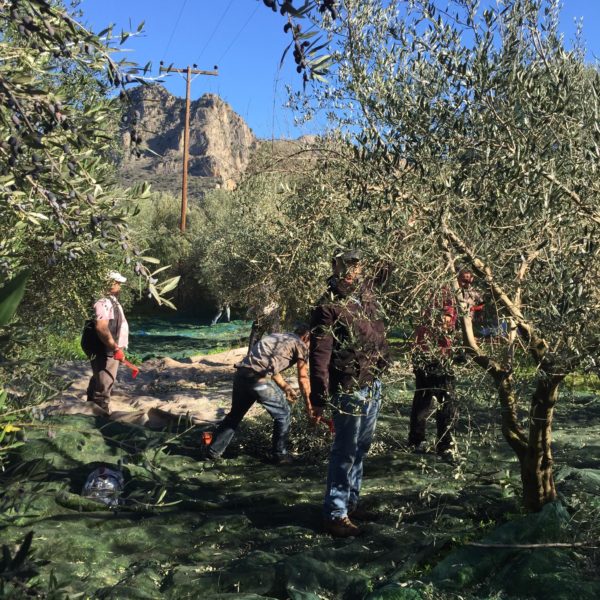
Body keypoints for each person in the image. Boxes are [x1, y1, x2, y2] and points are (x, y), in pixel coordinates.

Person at [310, 250, 390, 537]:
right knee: (345, 450)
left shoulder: (366, 293)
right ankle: (335, 513)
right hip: (348, 387)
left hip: (372, 381)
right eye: (346, 265)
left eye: (356, 265)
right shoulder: (327, 305)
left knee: (361, 447)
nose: (351, 271)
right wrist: (318, 397)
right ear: (335, 266)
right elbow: (319, 354)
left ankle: (350, 503)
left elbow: (388, 267)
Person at [206, 323, 312, 464]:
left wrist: (286, 387)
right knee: (283, 414)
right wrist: (310, 406)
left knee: (235, 415)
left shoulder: (278, 337)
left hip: (241, 374)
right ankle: (280, 455)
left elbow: (269, 365)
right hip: (257, 379)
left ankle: (213, 451)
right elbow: (303, 378)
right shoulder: (300, 344)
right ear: (306, 337)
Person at [408, 267, 483, 458]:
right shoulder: (448, 295)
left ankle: (416, 440)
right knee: (447, 399)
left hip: (423, 351)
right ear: (455, 276)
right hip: (435, 354)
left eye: (470, 281)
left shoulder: (439, 290)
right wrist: (463, 339)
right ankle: (445, 444)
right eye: (464, 281)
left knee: (423, 396)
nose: (467, 285)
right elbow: (445, 323)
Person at [86, 271, 130, 412]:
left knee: (99, 378)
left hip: (107, 348)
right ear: (110, 283)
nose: (119, 286)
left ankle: (90, 409)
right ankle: (100, 415)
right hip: (104, 349)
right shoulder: (103, 302)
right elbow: (101, 327)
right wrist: (115, 348)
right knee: (104, 384)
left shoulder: (110, 300)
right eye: (117, 283)